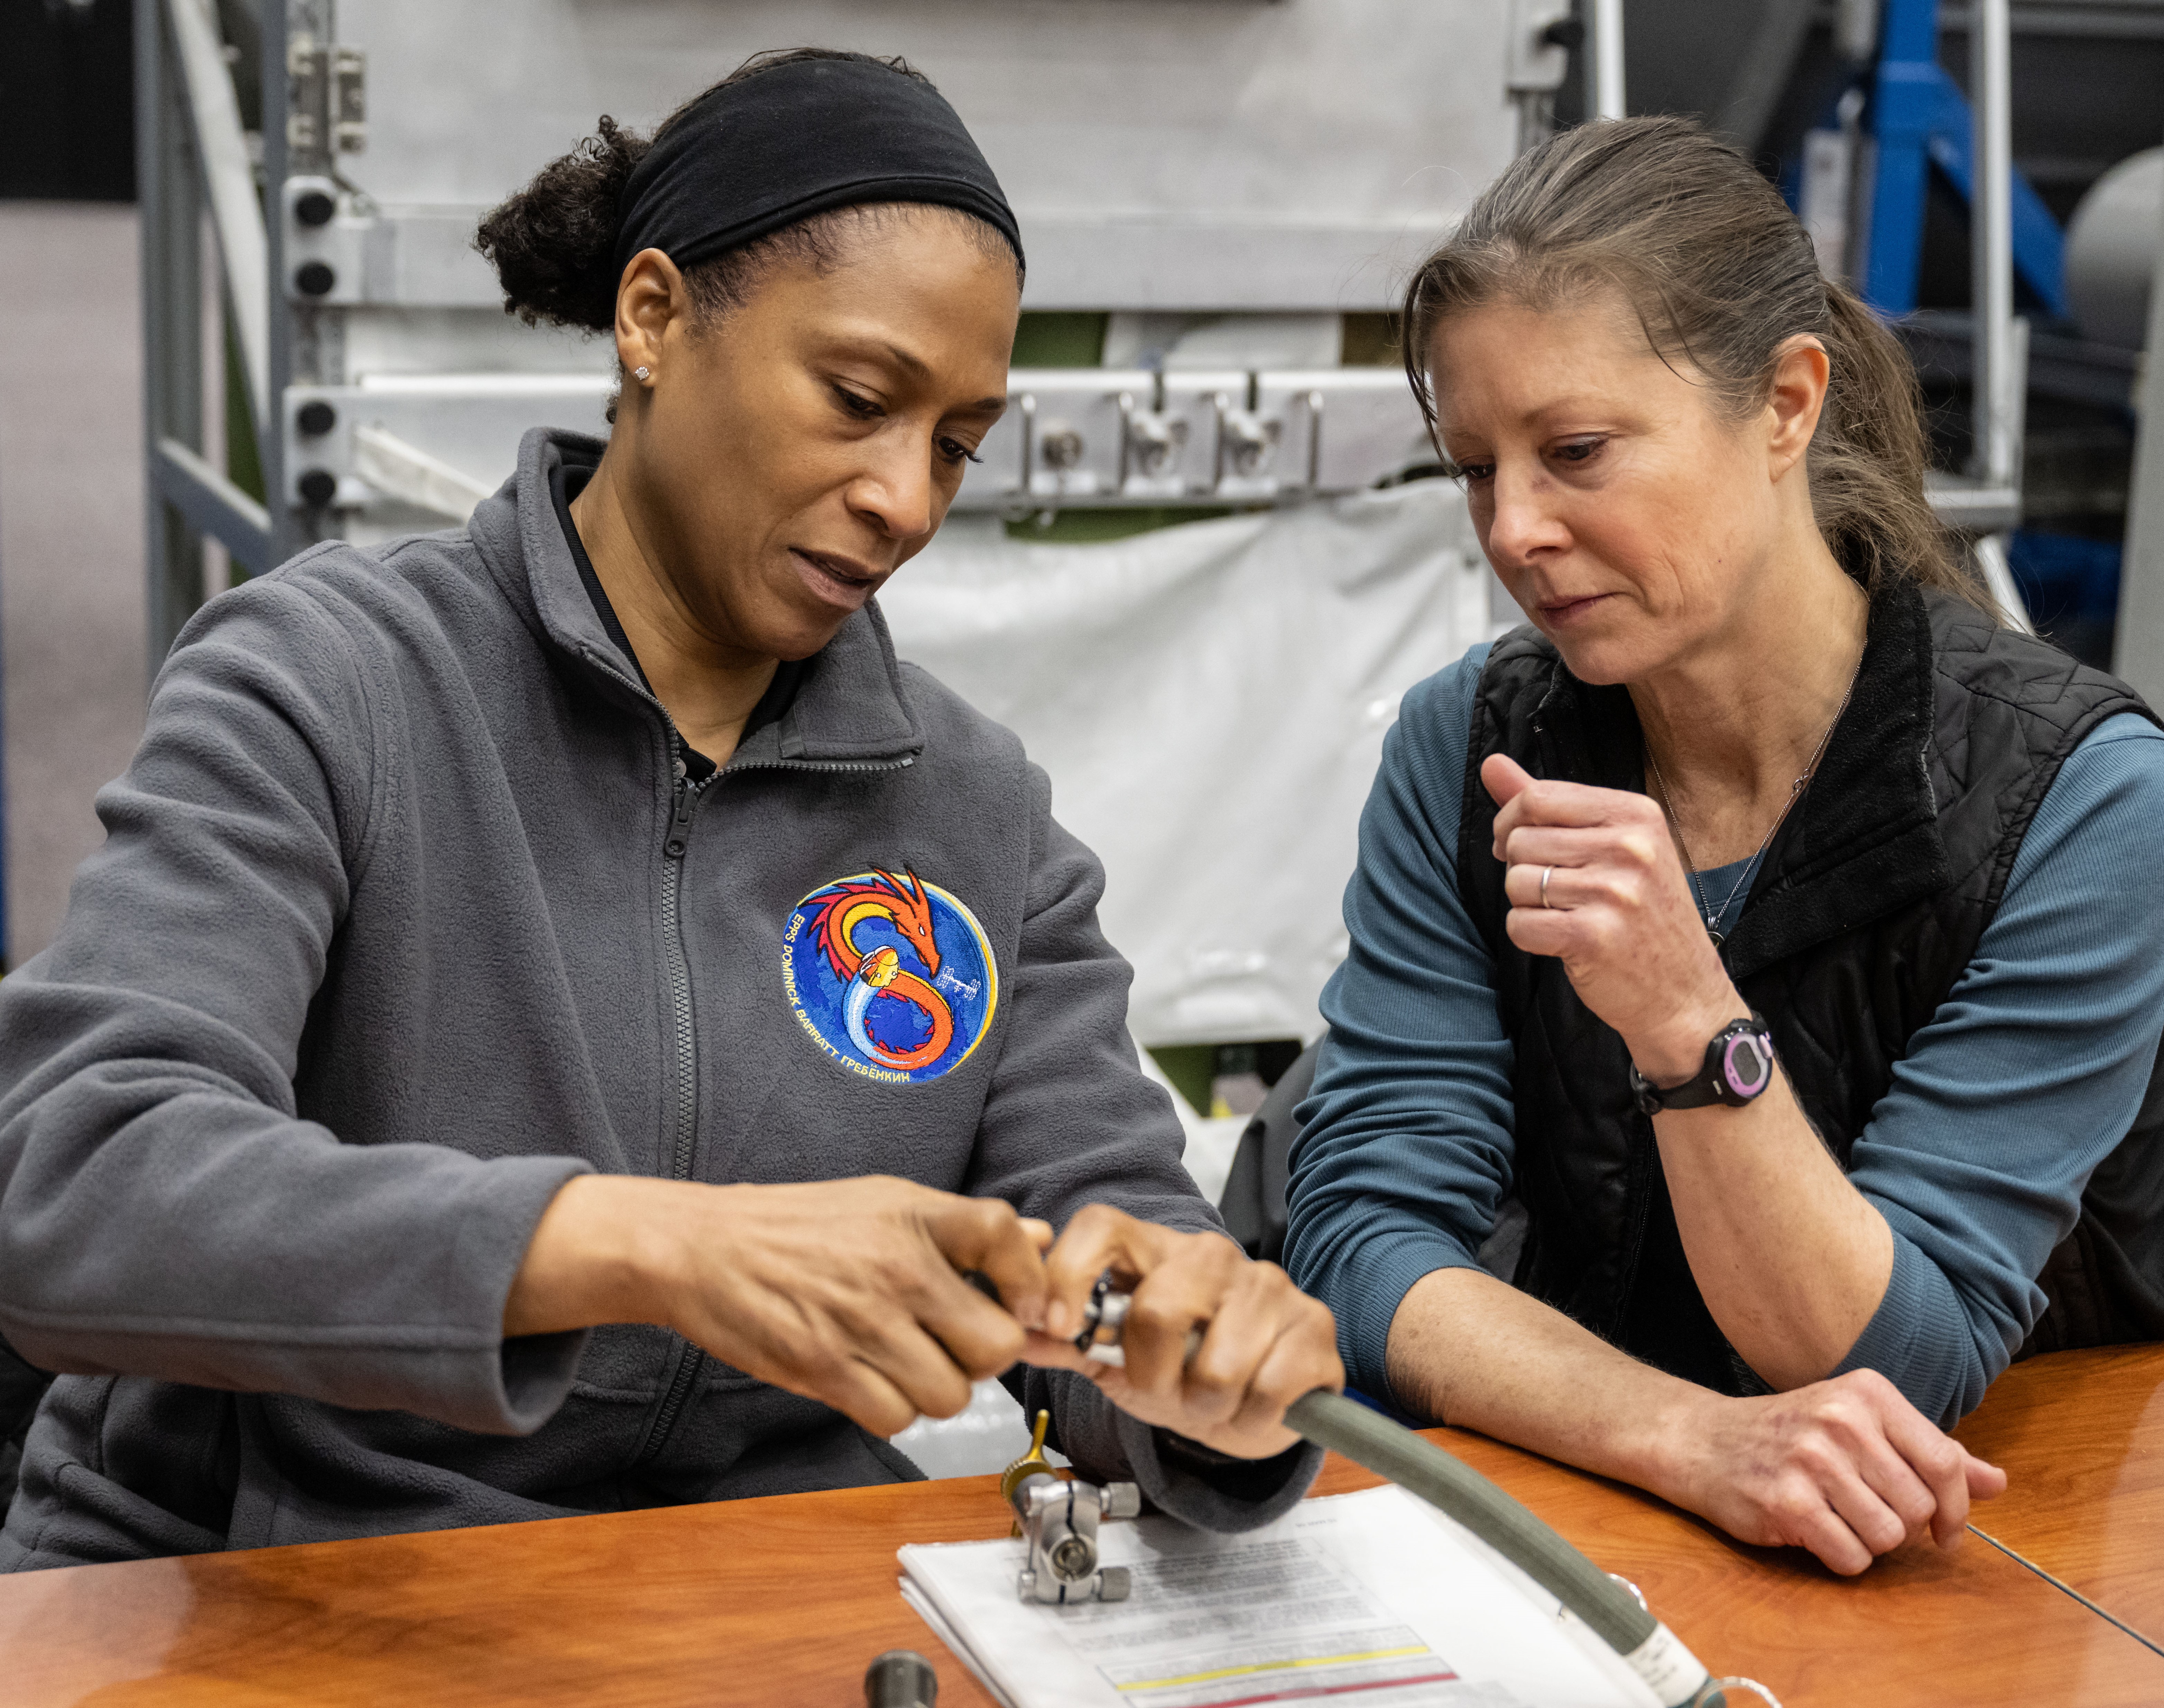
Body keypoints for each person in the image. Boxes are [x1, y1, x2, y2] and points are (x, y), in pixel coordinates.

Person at [0, 49, 1341, 1570]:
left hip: (739, 1602)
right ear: (653, 319)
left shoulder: (979, 817)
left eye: (956, 445)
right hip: (272, 1584)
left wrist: (1206, 1371)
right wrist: (645, 1247)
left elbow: (1110, 1246)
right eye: (856, 399)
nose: (905, 497)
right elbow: (78, 1181)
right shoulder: (329, 682)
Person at [1285, 116, 2164, 1578]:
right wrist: (1683, 1439)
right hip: (1614, 1520)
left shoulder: (2078, 797)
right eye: (1471, 469)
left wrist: (1690, 1021)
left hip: (1993, 1556)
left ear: (1783, 402)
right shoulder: (1464, 745)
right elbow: (1366, 1244)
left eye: (1573, 452)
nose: (1512, 529)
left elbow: (1896, 1360)